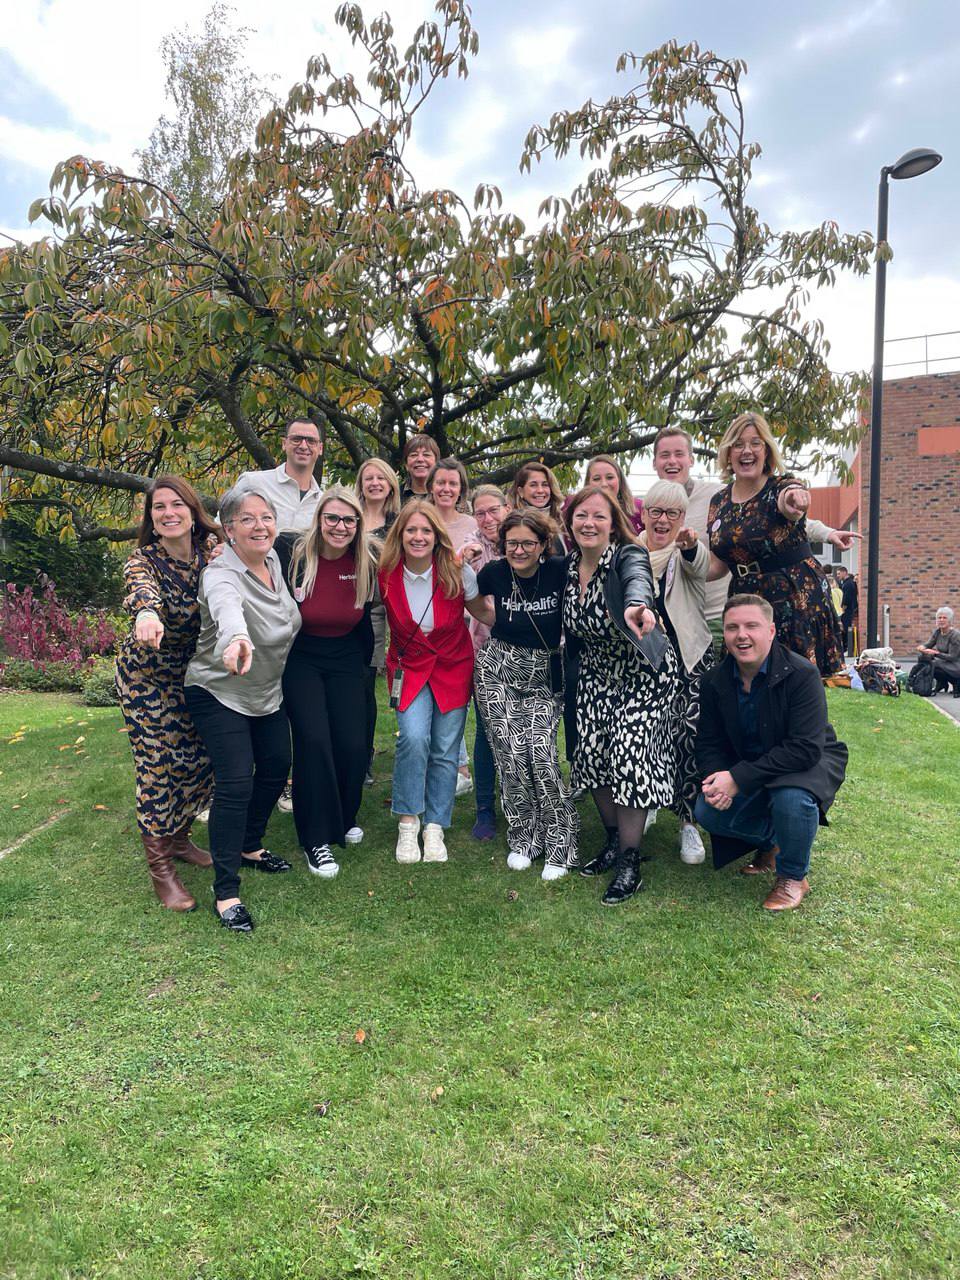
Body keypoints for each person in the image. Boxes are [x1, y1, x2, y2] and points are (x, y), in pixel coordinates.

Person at [184, 488, 302, 932]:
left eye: (266, 517)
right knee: (235, 782)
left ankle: (250, 844)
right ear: (228, 530)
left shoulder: (273, 560)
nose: (260, 526)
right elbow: (227, 608)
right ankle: (226, 892)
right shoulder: (220, 573)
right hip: (218, 690)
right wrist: (236, 638)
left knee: (275, 767)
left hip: (265, 692)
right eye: (247, 519)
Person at [694, 594, 848, 911]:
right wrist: (717, 779)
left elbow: (804, 748)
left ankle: (792, 876)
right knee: (707, 812)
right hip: (751, 762)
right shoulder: (714, 680)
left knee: (792, 799)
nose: (742, 635)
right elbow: (709, 742)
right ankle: (775, 842)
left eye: (752, 626)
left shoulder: (801, 674)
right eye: (732, 627)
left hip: (804, 762)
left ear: (771, 631)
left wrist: (738, 778)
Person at [564, 485, 677, 906]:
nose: (589, 523)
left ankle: (630, 862)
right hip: (596, 673)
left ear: (614, 524)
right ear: (570, 522)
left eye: (599, 516)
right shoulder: (569, 565)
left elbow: (637, 583)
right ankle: (614, 840)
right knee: (592, 756)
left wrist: (637, 607)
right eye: (581, 515)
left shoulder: (628, 556)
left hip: (641, 672)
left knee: (629, 755)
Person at [116, 476, 223, 912]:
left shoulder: (212, 551)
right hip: (145, 676)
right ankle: (161, 869)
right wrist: (146, 613)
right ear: (151, 518)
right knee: (158, 764)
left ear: (193, 511)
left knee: (198, 758)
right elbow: (142, 591)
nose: (168, 513)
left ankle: (179, 838)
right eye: (159, 507)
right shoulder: (143, 561)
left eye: (177, 504)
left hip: (192, 674)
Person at [651, 425, 850, 654]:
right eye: (665, 455)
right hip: (703, 610)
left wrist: (826, 532)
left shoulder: (720, 495)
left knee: (795, 670)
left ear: (691, 459)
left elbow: (786, 511)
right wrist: (688, 554)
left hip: (757, 605)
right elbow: (713, 564)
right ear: (655, 462)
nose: (672, 461)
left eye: (679, 454)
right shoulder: (657, 506)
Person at [377, 501, 489, 864]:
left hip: (452, 666)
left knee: (445, 748)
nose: (419, 537)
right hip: (409, 667)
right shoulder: (385, 573)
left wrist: (518, 619)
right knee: (413, 738)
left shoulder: (457, 571)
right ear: (400, 535)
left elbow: (481, 611)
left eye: (426, 530)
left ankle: (435, 826)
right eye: (411, 530)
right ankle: (408, 822)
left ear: (437, 537)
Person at [474, 510, 579, 878]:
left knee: (541, 754)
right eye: (512, 543)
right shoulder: (494, 572)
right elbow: (472, 597)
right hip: (498, 668)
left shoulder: (560, 570)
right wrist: (496, 620)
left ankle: (560, 842)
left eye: (527, 543)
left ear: (543, 544)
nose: (519, 550)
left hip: (544, 672)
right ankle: (525, 837)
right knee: (510, 755)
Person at [284, 486, 378, 879]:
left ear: (358, 524)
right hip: (301, 656)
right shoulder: (291, 553)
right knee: (314, 741)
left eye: (348, 520)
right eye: (332, 518)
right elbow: (246, 547)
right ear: (319, 520)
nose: (340, 526)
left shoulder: (367, 560)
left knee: (354, 744)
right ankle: (316, 837)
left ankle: (342, 815)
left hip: (346, 656)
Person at [707, 411, 845, 675]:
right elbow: (717, 566)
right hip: (744, 596)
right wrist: (684, 561)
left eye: (755, 443)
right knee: (745, 681)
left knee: (793, 680)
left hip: (792, 595)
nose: (747, 451)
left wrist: (796, 498)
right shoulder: (719, 502)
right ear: (728, 452)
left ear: (767, 451)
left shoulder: (779, 486)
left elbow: (791, 498)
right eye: (738, 444)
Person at [638, 480, 715, 867]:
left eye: (672, 513)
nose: (663, 520)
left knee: (687, 734)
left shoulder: (686, 551)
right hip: (643, 661)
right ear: (644, 514)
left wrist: (688, 546)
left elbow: (699, 565)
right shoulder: (630, 553)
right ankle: (648, 799)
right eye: (656, 511)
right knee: (644, 731)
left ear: (683, 517)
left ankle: (688, 821)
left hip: (688, 658)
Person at [425, 457, 480, 795]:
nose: (446, 488)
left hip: (463, 620)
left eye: (453, 483)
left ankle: (459, 767)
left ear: (461, 489)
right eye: (441, 482)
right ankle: (445, 762)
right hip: (424, 621)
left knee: (455, 695)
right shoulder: (419, 518)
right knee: (428, 697)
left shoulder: (471, 524)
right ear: (431, 485)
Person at [465, 484, 511, 840]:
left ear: (507, 508)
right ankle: (484, 809)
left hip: (528, 651)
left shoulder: (523, 541)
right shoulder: (472, 549)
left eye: (493, 510)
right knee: (486, 731)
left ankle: (521, 803)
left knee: (523, 733)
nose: (487, 518)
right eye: (480, 512)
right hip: (484, 650)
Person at [355, 458, 402, 781]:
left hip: (382, 608)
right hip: (349, 605)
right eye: (368, 478)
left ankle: (365, 757)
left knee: (370, 682)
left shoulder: (398, 523)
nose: (374, 483)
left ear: (390, 485)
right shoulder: (350, 516)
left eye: (380, 478)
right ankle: (352, 751)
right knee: (352, 684)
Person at [234, 418, 323, 535]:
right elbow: (223, 526)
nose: (303, 446)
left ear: (320, 448)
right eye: (296, 439)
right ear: (284, 444)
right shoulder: (252, 482)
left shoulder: (323, 503)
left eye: (311, 441)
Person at [584, 454, 644, 533]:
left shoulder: (639, 508)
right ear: (588, 483)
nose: (604, 484)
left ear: (619, 480)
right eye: (596, 479)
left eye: (610, 477)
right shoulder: (579, 515)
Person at [916, 607, 960, 696]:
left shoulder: (955, 635)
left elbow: (953, 657)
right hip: (944, 662)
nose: (941, 620)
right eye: (939, 618)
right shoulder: (937, 632)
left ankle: (956, 682)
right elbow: (928, 644)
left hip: (956, 664)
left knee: (933, 663)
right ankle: (942, 683)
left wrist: (935, 653)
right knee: (922, 657)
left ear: (950, 621)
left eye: (944, 618)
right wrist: (922, 647)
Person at [401, 433, 442, 501]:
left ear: (436, 463)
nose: (420, 459)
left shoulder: (447, 494)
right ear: (406, 465)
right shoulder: (394, 496)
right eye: (414, 455)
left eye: (426, 455)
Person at [835, 565, 859, 655]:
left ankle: (847, 648)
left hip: (847, 610)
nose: (837, 575)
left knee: (845, 628)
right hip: (849, 609)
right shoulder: (847, 583)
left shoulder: (848, 584)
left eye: (839, 573)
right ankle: (847, 648)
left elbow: (846, 598)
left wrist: (843, 609)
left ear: (844, 572)